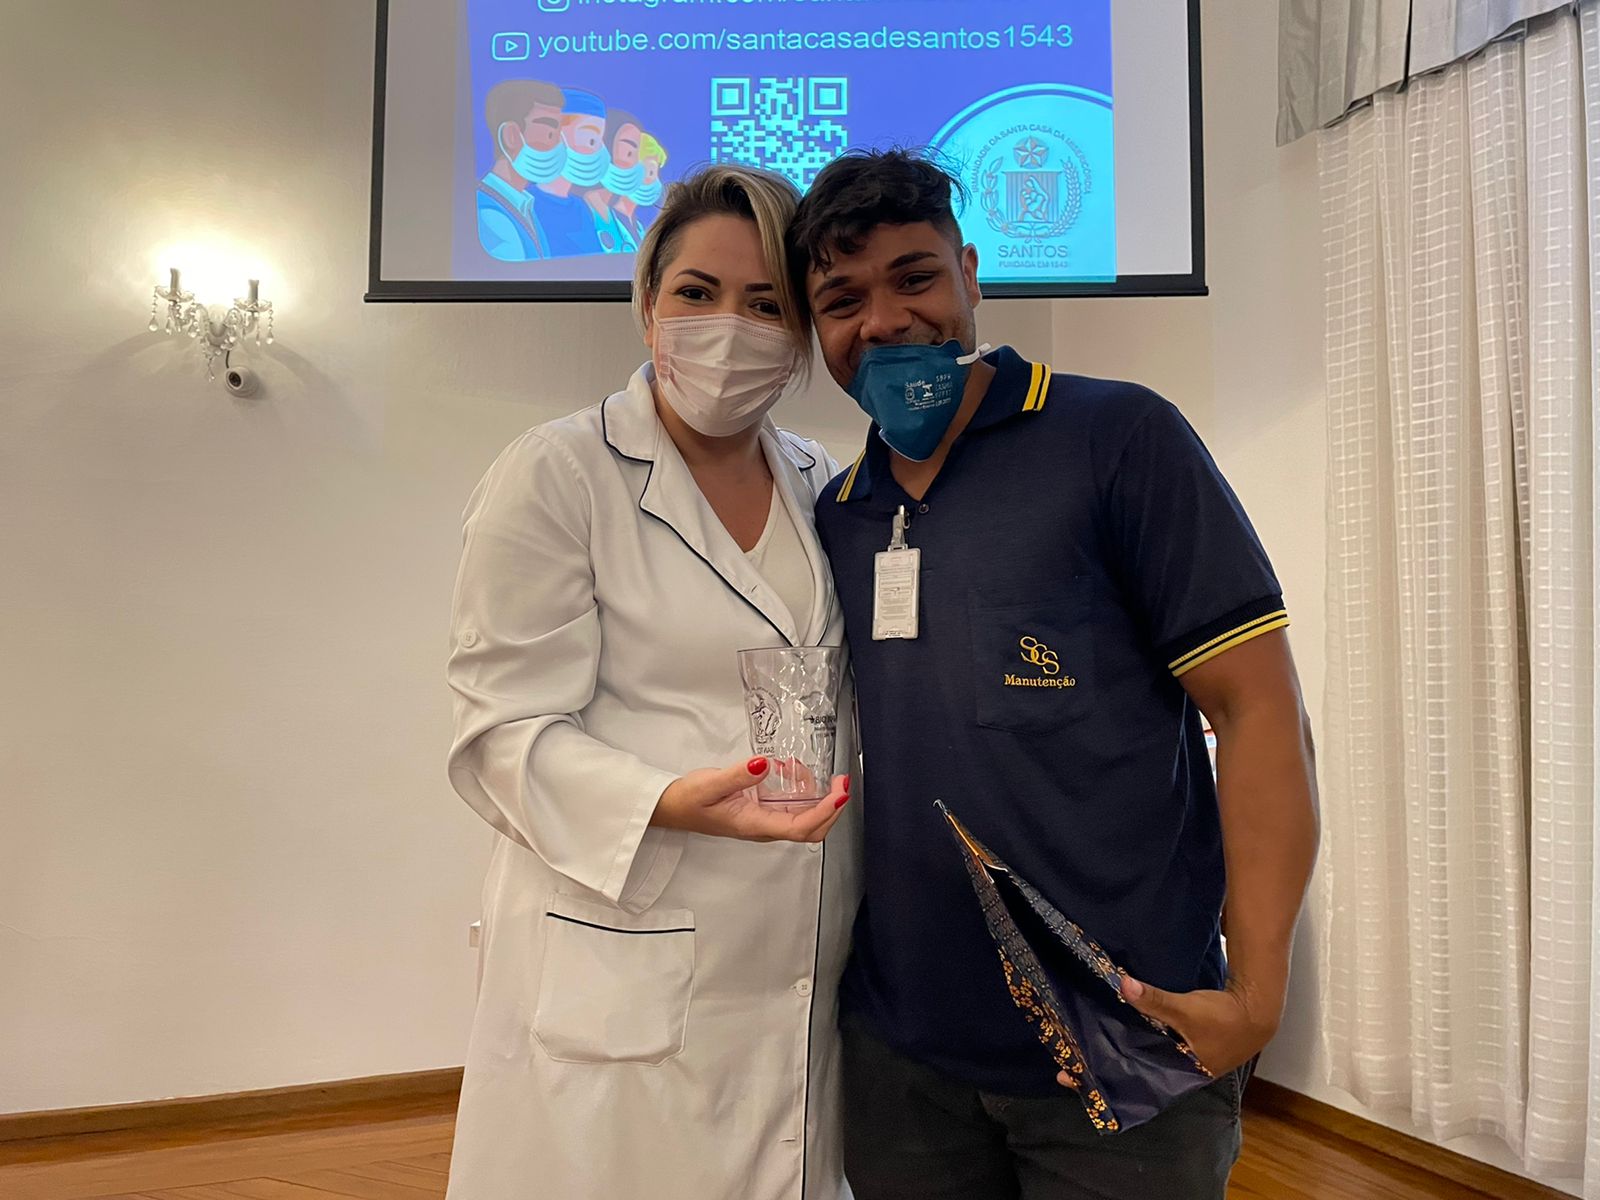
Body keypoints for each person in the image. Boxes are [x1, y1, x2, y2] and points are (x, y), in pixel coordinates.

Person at [792, 149, 1320, 1199]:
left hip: (1132, 1046)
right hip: (904, 1064)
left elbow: (1258, 710)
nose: (884, 321)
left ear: (970, 274)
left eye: (913, 277)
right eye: (842, 300)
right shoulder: (839, 515)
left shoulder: (1117, 439)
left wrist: (1257, 999)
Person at [444, 164, 861, 1200]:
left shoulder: (821, 480)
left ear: (801, 331)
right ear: (646, 305)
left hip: (800, 945)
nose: (729, 329)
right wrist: (666, 800)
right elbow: (500, 731)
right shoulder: (560, 472)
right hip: (627, 926)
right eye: (697, 293)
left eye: (765, 303)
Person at [475, 79, 561, 262]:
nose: (558, 146)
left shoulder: (523, 205)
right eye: (550, 134)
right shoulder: (489, 214)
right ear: (511, 136)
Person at [529, 87, 607, 258]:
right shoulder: (527, 204)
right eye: (591, 140)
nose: (596, 150)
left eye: (599, 141)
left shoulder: (581, 207)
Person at [584, 108, 645, 253]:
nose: (632, 156)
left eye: (637, 150)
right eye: (628, 145)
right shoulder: (585, 208)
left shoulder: (620, 217)